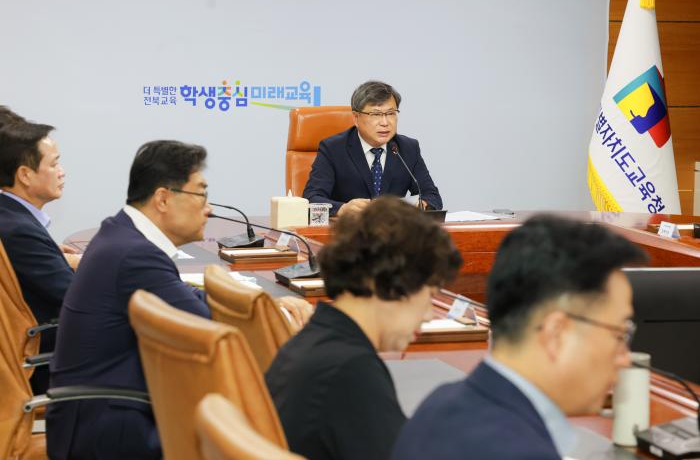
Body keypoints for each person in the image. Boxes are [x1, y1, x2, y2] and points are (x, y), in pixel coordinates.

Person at [46, 140, 313, 460]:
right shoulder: (135, 255)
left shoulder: (120, 235)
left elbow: (186, 297)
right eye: (201, 194)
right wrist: (278, 319)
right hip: (111, 427)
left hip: (104, 411)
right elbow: (208, 332)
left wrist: (265, 304)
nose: (208, 208)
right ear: (163, 199)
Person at [391, 215, 647, 460]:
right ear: (556, 334)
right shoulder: (522, 453)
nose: (625, 359)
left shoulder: (437, 405)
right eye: (619, 334)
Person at [266, 196, 463, 460]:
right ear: (388, 282)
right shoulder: (351, 370)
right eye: (428, 296)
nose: (428, 315)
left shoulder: (313, 341)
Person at [0, 106, 78, 393]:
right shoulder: (19, 231)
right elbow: (77, 300)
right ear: (25, 175)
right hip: (50, 362)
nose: (62, 172)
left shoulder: (10, 217)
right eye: (54, 164)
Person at [302, 81, 442, 216]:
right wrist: (342, 209)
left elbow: (432, 196)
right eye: (376, 114)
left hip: (394, 229)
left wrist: (420, 205)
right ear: (356, 118)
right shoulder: (333, 149)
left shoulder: (408, 148)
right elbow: (312, 197)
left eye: (391, 113)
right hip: (348, 229)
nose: (385, 122)